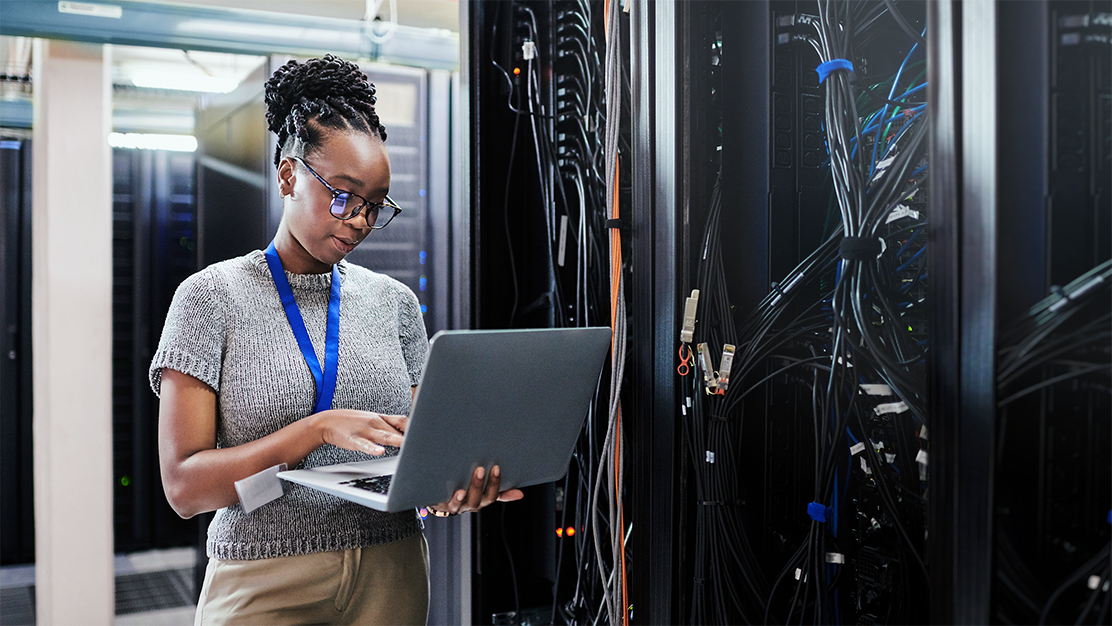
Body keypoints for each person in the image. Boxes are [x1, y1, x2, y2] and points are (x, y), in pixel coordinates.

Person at [150, 54, 522, 626]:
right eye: (343, 195)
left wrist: (451, 487)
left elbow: (422, 452)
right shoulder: (210, 298)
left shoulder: (394, 304)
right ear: (288, 175)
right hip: (262, 578)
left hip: (390, 569)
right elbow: (184, 488)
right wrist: (316, 430)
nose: (358, 221)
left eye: (374, 206)